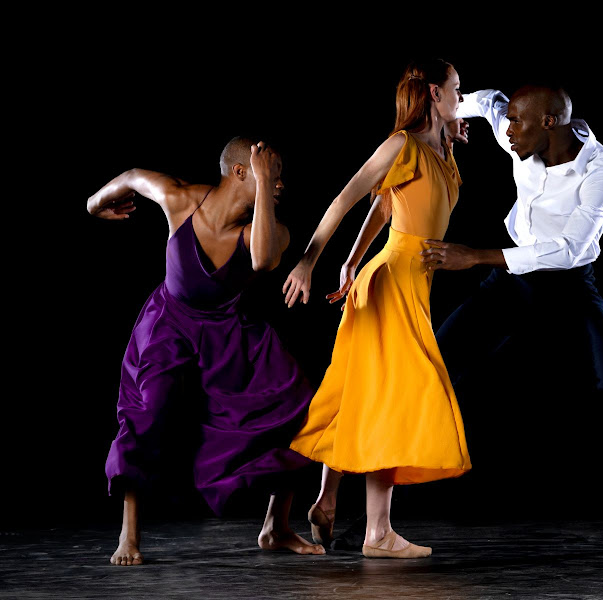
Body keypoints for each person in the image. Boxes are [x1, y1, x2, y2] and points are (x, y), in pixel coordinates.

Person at [420, 85, 603, 556]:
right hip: (512, 284)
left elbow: (571, 250)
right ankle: (372, 511)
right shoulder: (519, 132)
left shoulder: (602, 170)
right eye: (511, 122)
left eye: (518, 124)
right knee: (430, 368)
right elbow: (487, 102)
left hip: (569, 286)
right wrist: (442, 116)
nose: (508, 131)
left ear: (549, 123)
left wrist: (476, 256)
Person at [88, 137, 325, 565]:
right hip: (168, 325)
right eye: (271, 174)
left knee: (296, 401)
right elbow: (131, 177)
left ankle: (277, 526)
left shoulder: (268, 231)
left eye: (279, 177)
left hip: (227, 331)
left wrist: (265, 176)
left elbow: (264, 261)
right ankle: (129, 534)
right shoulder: (180, 200)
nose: (279, 185)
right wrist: (94, 204)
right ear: (239, 172)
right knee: (149, 412)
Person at [282, 58, 472, 558]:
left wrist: (351, 261)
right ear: (435, 92)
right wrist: (309, 262)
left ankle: (325, 501)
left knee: (364, 392)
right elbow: (347, 198)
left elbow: (387, 206)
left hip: (406, 281)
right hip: (393, 283)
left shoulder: (443, 148)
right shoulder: (402, 144)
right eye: (457, 88)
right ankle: (377, 533)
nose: (462, 95)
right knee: (396, 397)